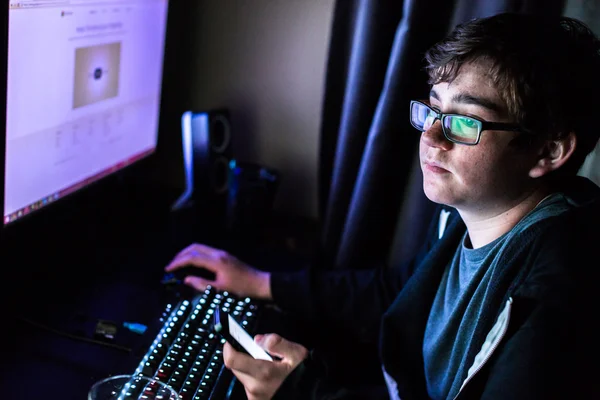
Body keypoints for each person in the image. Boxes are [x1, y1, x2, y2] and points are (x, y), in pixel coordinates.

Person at [165, 12, 600, 400]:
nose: (431, 137)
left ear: (548, 151)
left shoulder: (559, 304)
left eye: (464, 121)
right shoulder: (468, 214)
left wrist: (301, 392)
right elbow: (400, 290)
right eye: (432, 110)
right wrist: (261, 283)